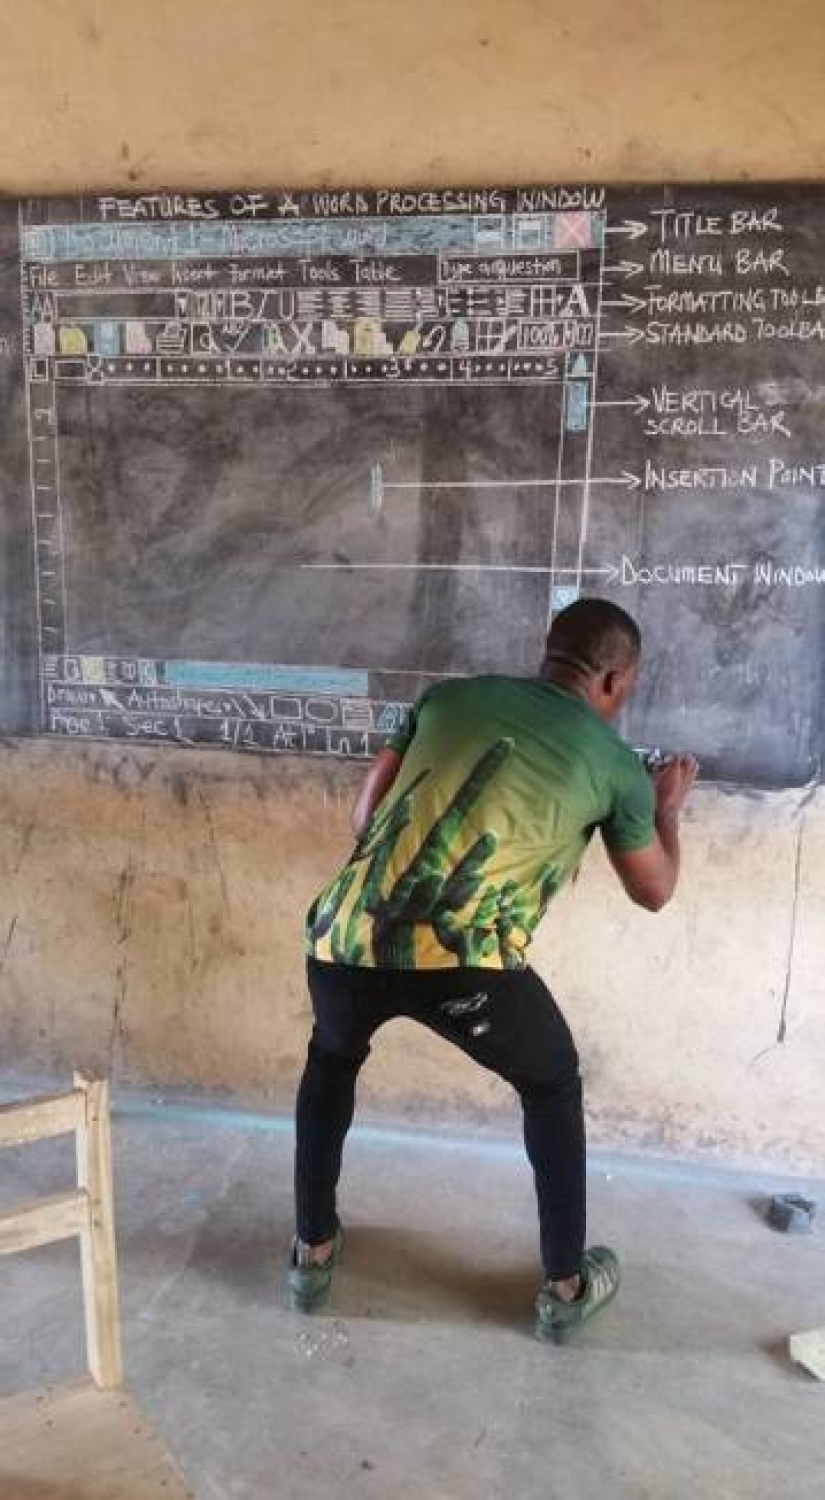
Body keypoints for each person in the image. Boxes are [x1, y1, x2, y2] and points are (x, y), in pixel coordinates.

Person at [290, 598, 698, 1340]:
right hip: (459, 960)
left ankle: (310, 1249)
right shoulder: (616, 768)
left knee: (332, 1057)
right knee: (550, 1083)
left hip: (341, 937)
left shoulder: (446, 697)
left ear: (549, 654)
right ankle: (565, 1286)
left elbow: (364, 819)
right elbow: (654, 890)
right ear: (612, 679)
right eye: (628, 686)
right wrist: (668, 807)